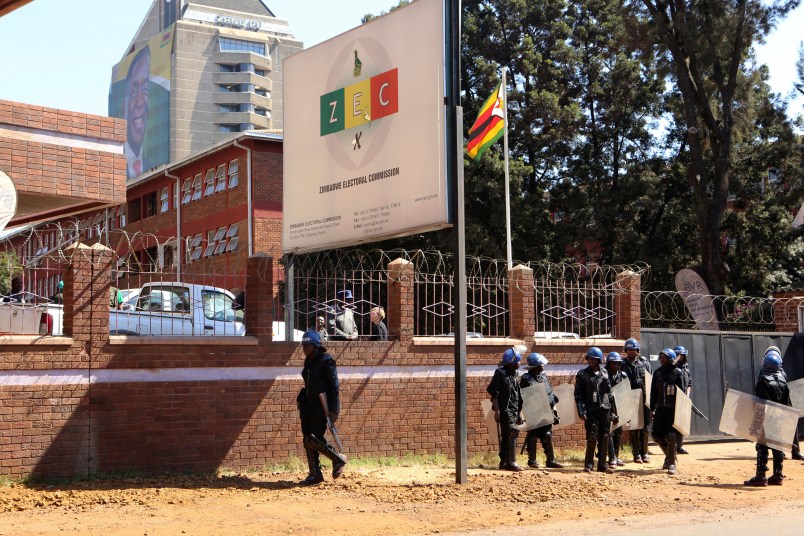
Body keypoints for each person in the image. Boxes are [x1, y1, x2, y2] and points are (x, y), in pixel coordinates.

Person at [296, 330, 346, 485]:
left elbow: (334, 387)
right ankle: (315, 474)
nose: (304, 348)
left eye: (307, 345)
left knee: (315, 437)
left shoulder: (327, 361)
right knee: (307, 438)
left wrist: (334, 410)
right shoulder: (308, 361)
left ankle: (337, 459)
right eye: (303, 345)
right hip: (308, 404)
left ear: (316, 345)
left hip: (321, 404)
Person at [744, 349, 792, 486]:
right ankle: (778, 475)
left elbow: (759, 402)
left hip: (766, 418)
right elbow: (787, 403)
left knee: (762, 445)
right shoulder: (783, 381)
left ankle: (761, 476)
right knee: (778, 445)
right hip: (779, 418)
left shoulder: (763, 380)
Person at [520, 352, 563, 469]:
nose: (543, 367)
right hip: (533, 411)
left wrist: (554, 411)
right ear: (536, 366)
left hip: (546, 410)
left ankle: (550, 460)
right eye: (541, 365)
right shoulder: (526, 378)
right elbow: (525, 396)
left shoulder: (543, 376)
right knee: (533, 435)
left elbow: (550, 394)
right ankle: (532, 460)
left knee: (547, 434)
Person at [575, 347, 614, 473]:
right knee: (592, 436)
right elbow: (578, 395)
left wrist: (614, 411)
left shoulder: (605, 373)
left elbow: (610, 394)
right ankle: (589, 463)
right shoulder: (582, 374)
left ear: (599, 360)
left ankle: (602, 464)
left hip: (605, 408)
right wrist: (581, 410)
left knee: (605, 436)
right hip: (591, 409)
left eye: (593, 359)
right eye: (589, 359)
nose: (591, 361)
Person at [487, 347, 524, 472]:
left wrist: (520, 412)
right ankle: (512, 462)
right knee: (512, 432)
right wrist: (497, 411)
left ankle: (504, 461)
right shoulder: (500, 374)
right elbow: (494, 394)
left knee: (507, 435)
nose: (520, 363)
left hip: (514, 409)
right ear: (511, 362)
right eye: (518, 361)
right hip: (504, 409)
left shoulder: (515, 375)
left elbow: (518, 395)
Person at [762, 345, 802, 461]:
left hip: (784, 403)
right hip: (771, 407)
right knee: (775, 429)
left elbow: (785, 389)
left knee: (792, 426)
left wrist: (788, 408)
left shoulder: (781, 372)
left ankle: (795, 451)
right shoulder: (764, 373)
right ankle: (780, 452)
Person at [650, 348, 684, 475]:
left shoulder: (677, 373)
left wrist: (680, 411)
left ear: (670, 359)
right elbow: (653, 392)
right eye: (661, 357)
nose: (661, 360)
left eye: (664, 357)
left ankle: (671, 463)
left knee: (671, 436)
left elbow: (682, 394)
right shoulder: (657, 373)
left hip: (673, 410)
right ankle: (670, 455)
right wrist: (652, 408)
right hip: (661, 408)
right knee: (656, 435)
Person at [620, 337, 652, 464]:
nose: (631, 352)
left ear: (637, 350)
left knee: (645, 428)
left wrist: (651, 403)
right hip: (630, 399)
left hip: (644, 399)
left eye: (633, 350)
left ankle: (645, 452)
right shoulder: (622, 364)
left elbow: (650, 382)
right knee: (633, 428)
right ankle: (636, 454)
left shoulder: (645, 363)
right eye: (629, 350)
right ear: (626, 351)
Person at [124, 45, 151, 179]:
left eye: (145, 89)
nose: (140, 102)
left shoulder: (151, 168)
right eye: (134, 92)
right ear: (124, 102)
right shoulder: (113, 170)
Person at [606, 351, 627, 469]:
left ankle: (616, 456)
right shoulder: (604, 374)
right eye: (613, 364)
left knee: (618, 432)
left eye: (617, 364)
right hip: (608, 407)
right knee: (609, 431)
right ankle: (611, 457)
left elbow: (626, 392)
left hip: (619, 406)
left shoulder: (623, 375)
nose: (615, 366)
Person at [673, 345, 692, 455]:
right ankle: (673, 446)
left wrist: (687, 396)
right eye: (678, 356)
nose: (680, 358)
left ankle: (680, 446)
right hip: (674, 399)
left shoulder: (686, 367)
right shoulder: (672, 368)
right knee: (673, 424)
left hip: (684, 399)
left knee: (682, 424)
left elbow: (689, 383)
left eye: (682, 356)